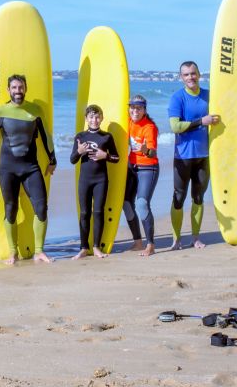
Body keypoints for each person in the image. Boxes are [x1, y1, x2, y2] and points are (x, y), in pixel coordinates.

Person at [0, 74, 56, 265]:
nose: (17, 91)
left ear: (25, 89)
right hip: (8, 169)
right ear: (8, 90)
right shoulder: (0, 112)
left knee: (41, 207)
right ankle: (12, 252)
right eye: (14, 88)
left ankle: (39, 251)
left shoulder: (35, 111)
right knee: (10, 209)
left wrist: (52, 159)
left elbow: (46, 136)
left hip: (31, 167)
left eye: (20, 87)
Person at [168, 61, 220, 250]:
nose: (190, 77)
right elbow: (175, 126)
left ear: (199, 74)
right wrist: (201, 122)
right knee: (178, 199)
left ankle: (196, 238)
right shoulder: (177, 98)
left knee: (198, 198)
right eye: (186, 74)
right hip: (182, 157)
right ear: (181, 77)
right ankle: (176, 239)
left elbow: (231, 107)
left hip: (203, 156)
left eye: (193, 73)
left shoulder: (209, 96)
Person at [70, 104, 121, 260]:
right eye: (91, 117)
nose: (94, 119)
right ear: (86, 119)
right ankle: (84, 247)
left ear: (102, 118)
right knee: (85, 213)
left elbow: (116, 158)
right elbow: (72, 160)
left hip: (101, 180)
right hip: (84, 180)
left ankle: (97, 247)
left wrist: (104, 155)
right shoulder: (80, 137)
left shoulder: (106, 137)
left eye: (97, 116)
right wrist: (79, 152)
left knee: (98, 212)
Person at [123, 95, 160, 257]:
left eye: (139, 108)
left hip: (148, 167)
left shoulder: (149, 127)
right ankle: (138, 242)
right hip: (132, 166)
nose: (135, 111)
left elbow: (153, 153)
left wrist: (145, 150)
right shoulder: (129, 121)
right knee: (126, 203)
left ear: (144, 110)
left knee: (142, 204)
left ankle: (150, 245)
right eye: (132, 107)